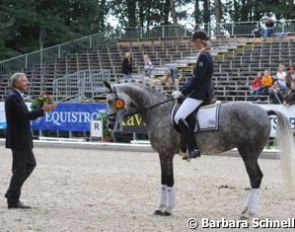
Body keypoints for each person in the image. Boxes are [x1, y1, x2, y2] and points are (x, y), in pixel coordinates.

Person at [4, 73, 56, 209]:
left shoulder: (16, 96)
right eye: (24, 81)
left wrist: (43, 110)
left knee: (30, 164)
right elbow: (23, 116)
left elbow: (24, 116)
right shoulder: (13, 97)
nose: (27, 83)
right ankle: (13, 200)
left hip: (22, 138)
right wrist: (42, 110)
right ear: (16, 83)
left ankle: (12, 193)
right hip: (19, 139)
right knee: (20, 169)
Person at [172, 30, 214, 159]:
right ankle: (184, 146)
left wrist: (182, 92)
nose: (192, 45)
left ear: (198, 41)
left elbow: (197, 80)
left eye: (193, 42)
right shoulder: (205, 54)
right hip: (200, 91)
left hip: (200, 94)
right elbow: (194, 78)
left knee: (178, 117)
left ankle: (194, 148)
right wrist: (182, 90)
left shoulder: (203, 56)